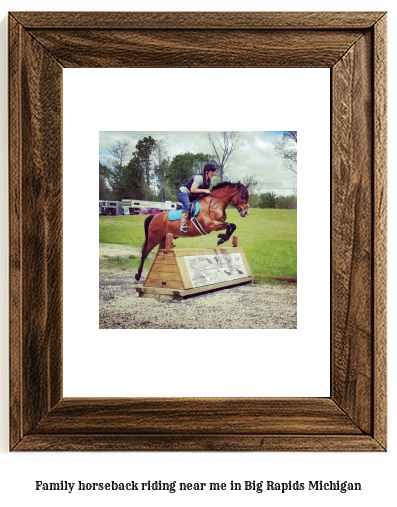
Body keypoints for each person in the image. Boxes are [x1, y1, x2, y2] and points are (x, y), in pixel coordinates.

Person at [177, 163, 217, 233]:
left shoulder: (208, 181)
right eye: (212, 172)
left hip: (192, 196)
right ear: (206, 171)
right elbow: (193, 189)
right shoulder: (199, 178)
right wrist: (205, 190)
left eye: (213, 172)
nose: (213, 174)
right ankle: (183, 225)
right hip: (183, 192)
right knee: (187, 206)